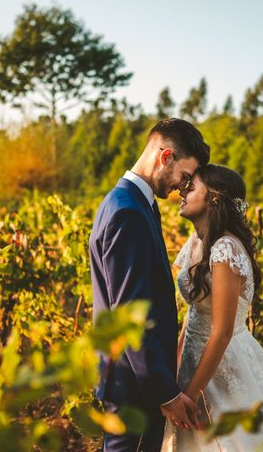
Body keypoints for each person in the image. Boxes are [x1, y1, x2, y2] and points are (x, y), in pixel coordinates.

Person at [161, 164, 263, 451]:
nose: (182, 191)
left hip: (222, 362)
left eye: (191, 187)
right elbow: (192, 315)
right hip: (193, 357)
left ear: (215, 197)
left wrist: (190, 395)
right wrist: (175, 375)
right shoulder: (196, 244)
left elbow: (223, 331)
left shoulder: (225, 248)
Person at [89, 118, 210, 451]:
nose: (183, 187)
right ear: (165, 156)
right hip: (136, 386)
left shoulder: (132, 203)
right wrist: (165, 393)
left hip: (132, 380)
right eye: (184, 176)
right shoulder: (128, 212)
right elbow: (131, 316)